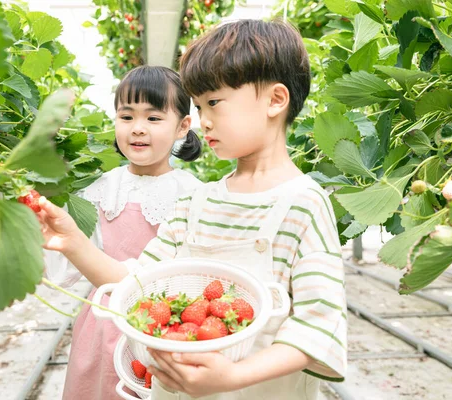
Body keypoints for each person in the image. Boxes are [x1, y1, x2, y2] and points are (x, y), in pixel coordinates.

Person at [39, 19, 346, 400]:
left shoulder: (303, 204)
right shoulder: (195, 203)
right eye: (199, 106)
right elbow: (136, 284)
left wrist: (234, 376)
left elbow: (319, 325)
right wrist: (71, 242)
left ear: (275, 100)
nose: (205, 120)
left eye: (214, 102)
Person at [42, 65, 203, 400]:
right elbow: (72, 261)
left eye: (154, 118)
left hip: (161, 326)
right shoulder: (101, 188)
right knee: (98, 385)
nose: (138, 129)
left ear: (182, 127)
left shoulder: (191, 193)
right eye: (126, 117)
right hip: (103, 320)